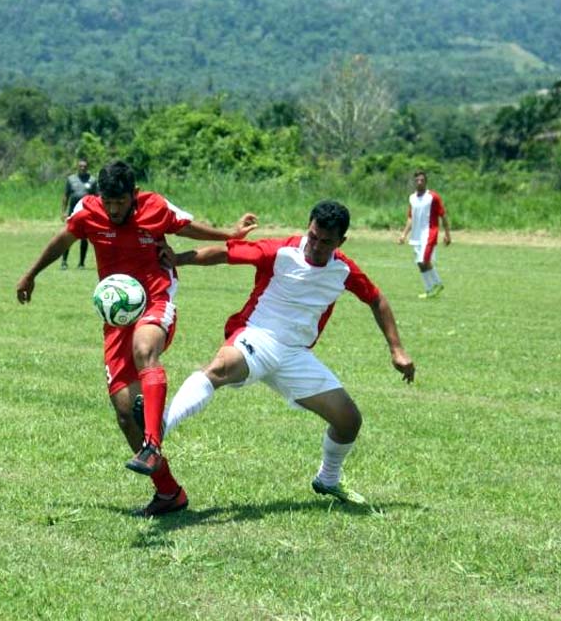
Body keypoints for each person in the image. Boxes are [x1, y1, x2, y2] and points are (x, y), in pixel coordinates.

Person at [16, 159, 257, 516]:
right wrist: (31, 274)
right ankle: (169, 493)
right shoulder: (89, 211)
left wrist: (230, 235)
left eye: (121, 202)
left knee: (145, 349)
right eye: (108, 202)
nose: (114, 210)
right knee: (126, 412)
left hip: (155, 299)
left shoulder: (155, 207)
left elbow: (189, 227)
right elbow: (63, 238)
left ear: (134, 195)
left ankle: (152, 444)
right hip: (117, 316)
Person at [163, 200, 414, 504]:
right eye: (314, 236)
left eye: (327, 242)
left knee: (349, 421)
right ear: (308, 227)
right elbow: (226, 253)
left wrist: (396, 349)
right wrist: (179, 258)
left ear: (341, 241)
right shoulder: (280, 251)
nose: (317, 246)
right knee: (219, 369)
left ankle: (328, 479)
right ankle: (157, 431)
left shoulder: (343, 269)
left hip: (295, 356)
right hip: (258, 336)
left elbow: (377, 300)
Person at [398, 170, 451, 298]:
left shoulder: (433, 197)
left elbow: (443, 215)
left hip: (429, 233)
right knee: (420, 263)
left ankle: (438, 283)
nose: (419, 182)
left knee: (424, 260)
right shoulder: (412, 198)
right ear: (414, 182)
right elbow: (410, 218)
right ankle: (429, 289)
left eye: (422, 180)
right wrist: (404, 234)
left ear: (426, 182)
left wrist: (447, 234)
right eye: (417, 180)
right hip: (416, 235)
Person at [60, 159, 97, 270]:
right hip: (72, 213)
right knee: (67, 237)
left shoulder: (93, 180)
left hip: (86, 213)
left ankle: (81, 263)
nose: (82, 168)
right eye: (80, 166)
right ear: (77, 167)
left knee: (84, 238)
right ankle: (64, 262)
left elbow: (97, 197)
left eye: (84, 166)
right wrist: (63, 211)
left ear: (87, 167)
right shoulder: (71, 179)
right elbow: (66, 196)